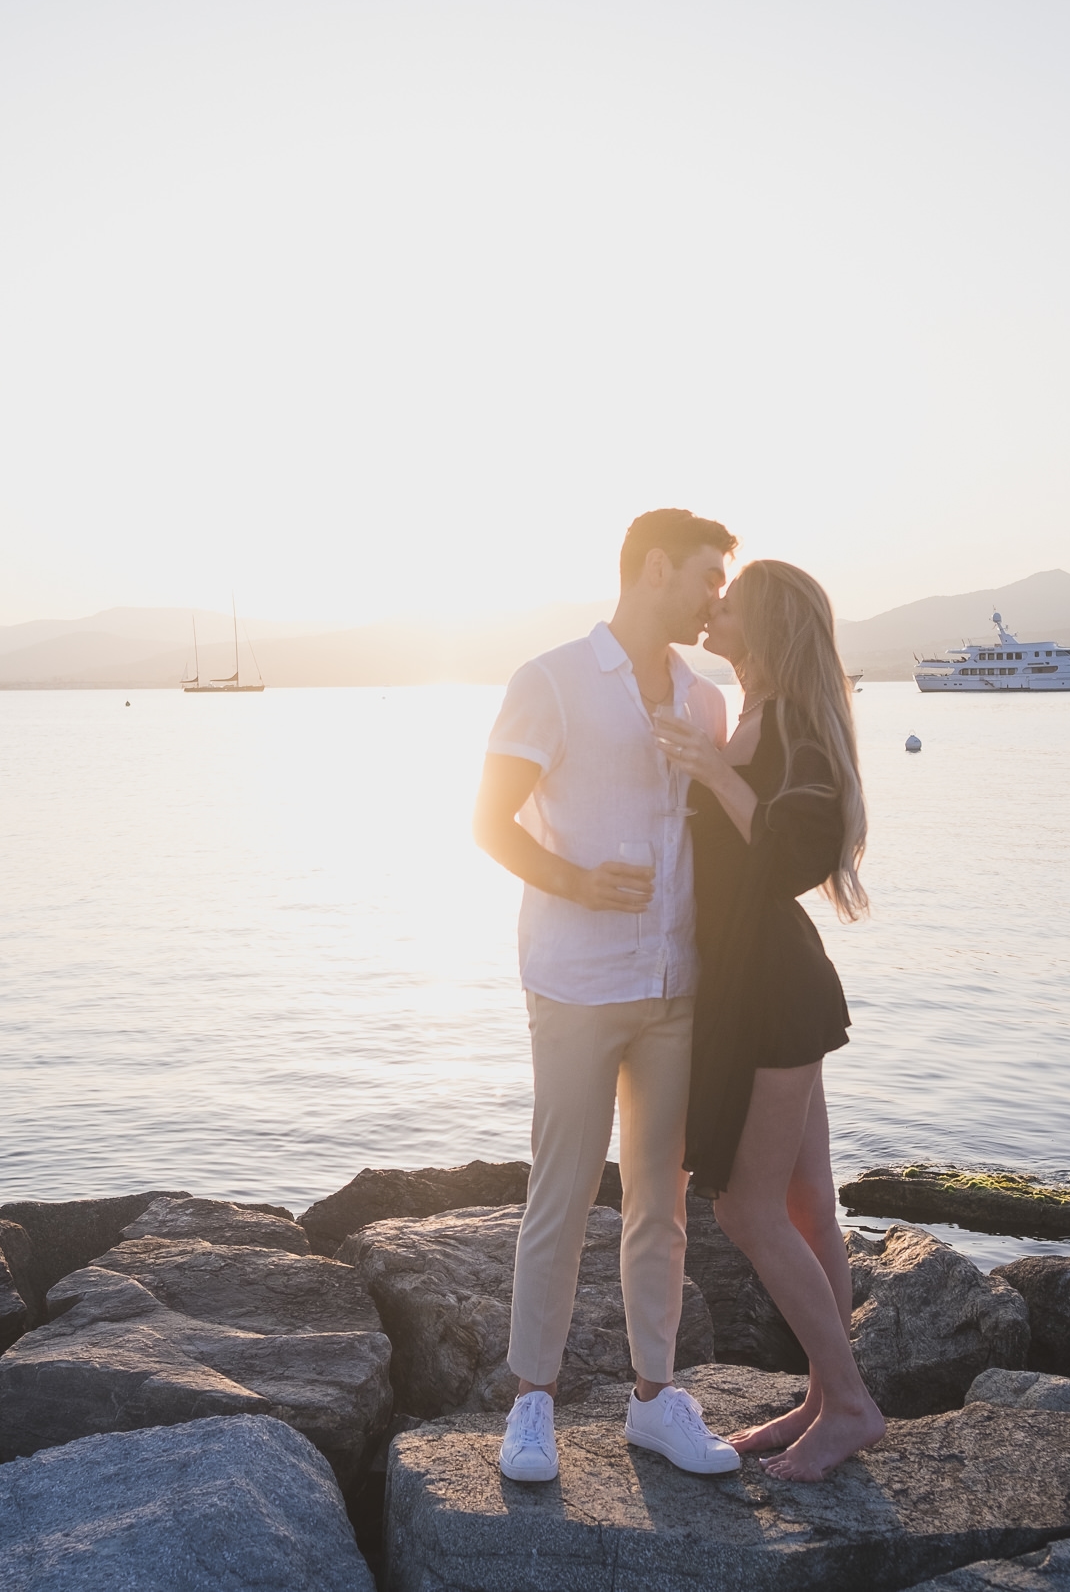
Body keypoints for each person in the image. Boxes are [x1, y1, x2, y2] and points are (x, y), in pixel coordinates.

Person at [471, 508, 746, 1483]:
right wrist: (578, 882)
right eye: (709, 575)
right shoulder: (548, 680)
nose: (719, 593)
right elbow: (487, 820)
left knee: (660, 1198)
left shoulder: (704, 699)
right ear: (655, 567)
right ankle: (530, 1402)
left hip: (675, 985)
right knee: (562, 1187)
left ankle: (653, 1397)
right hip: (576, 981)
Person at [650, 559, 884, 1481]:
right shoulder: (748, 714)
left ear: (768, 625)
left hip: (772, 991)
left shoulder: (789, 725)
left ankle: (853, 1404)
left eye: (730, 602)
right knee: (805, 1205)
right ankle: (827, 1397)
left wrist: (711, 767)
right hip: (762, 980)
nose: (715, 608)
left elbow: (790, 855)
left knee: (747, 1208)